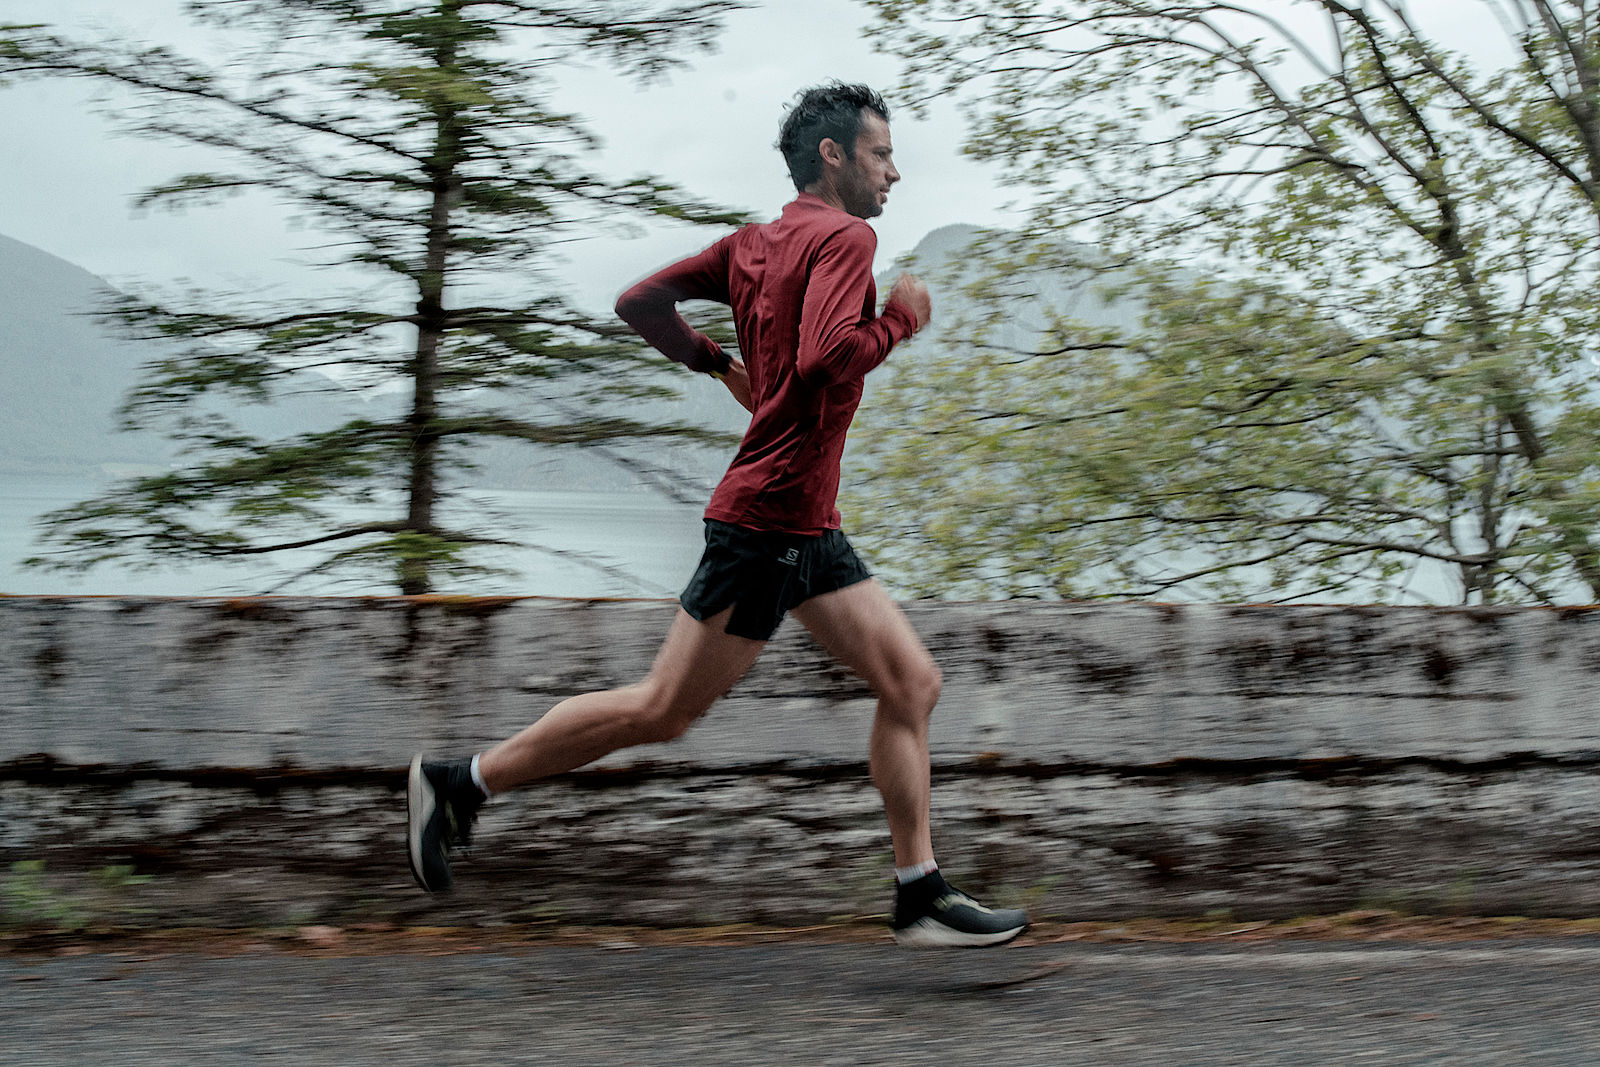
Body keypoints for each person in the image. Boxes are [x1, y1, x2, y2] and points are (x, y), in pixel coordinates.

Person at [407, 83, 1029, 949]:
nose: (896, 170)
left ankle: (918, 888)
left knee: (911, 683)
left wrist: (716, 362)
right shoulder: (849, 236)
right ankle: (460, 782)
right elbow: (823, 361)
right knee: (661, 709)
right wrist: (899, 321)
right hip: (768, 526)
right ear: (834, 155)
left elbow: (638, 303)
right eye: (882, 152)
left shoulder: (751, 245)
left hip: (806, 524)